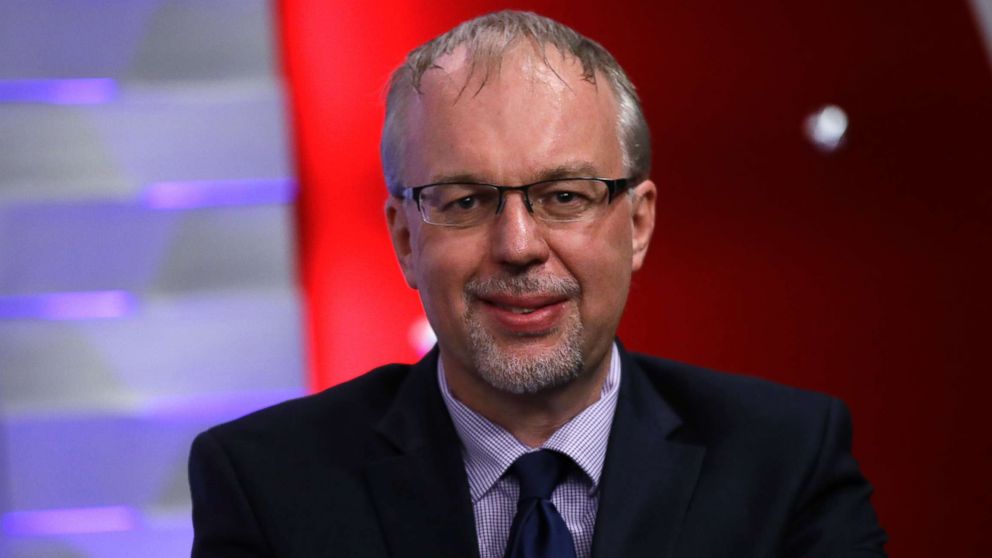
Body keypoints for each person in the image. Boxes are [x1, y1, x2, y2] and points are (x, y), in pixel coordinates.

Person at [189, 10, 886, 558]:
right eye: (465, 201)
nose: (518, 246)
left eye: (565, 196)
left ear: (638, 224)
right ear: (406, 239)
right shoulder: (269, 485)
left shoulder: (786, 461)